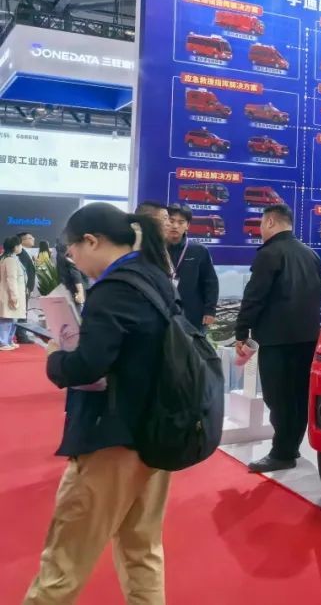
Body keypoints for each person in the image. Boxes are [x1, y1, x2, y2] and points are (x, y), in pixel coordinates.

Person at [24, 203, 176, 604]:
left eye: (72, 249)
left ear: (92, 241)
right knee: (142, 551)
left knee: (64, 561)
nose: (72, 258)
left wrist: (56, 356)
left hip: (110, 437)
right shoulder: (154, 277)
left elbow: (87, 365)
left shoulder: (113, 290)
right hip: (156, 434)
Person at [234, 203, 321, 473]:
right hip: (307, 338)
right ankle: (290, 447)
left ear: (271, 222)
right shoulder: (310, 254)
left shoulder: (269, 254)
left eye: (261, 224)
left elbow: (254, 296)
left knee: (278, 398)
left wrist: (241, 331)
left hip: (277, 339)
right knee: (298, 397)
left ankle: (282, 453)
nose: (260, 229)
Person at [166, 203, 219, 331]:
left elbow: (210, 281)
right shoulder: (156, 249)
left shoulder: (199, 250)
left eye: (181, 222)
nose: (175, 226)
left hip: (192, 315)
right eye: (171, 221)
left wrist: (210, 310)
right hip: (162, 312)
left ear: (187, 225)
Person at [0, 236, 27, 351]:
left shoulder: (10, 258)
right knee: (7, 318)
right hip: (9, 293)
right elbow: (11, 278)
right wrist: (13, 295)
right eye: (20, 245)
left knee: (13, 318)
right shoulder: (9, 260)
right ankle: (3, 342)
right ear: (15, 246)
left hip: (14, 292)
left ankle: (9, 340)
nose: (21, 247)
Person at [56, 242, 87, 309]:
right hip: (75, 293)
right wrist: (80, 292)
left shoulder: (59, 257)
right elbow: (76, 276)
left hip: (65, 291)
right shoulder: (69, 259)